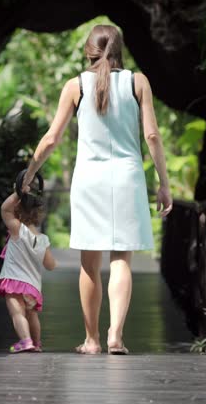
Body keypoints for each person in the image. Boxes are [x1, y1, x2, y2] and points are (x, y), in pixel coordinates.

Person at [22, 24, 173, 355]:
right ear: (121, 50)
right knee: (121, 259)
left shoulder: (75, 86)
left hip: (88, 180)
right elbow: (152, 136)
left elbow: (51, 138)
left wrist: (30, 172)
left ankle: (91, 340)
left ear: (88, 51)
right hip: (128, 178)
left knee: (89, 263)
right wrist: (164, 183)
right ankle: (115, 335)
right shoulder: (138, 82)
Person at [0, 185, 57, 353]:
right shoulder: (43, 240)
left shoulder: (17, 229)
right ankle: (36, 344)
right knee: (32, 315)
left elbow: (4, 208)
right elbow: (50, 266)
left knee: (17, 314)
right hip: (32, 286)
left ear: (17, 212)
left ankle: (25, 340)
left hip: (14, 281)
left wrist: (18, 192)